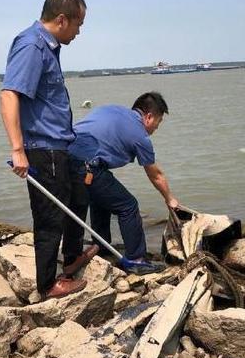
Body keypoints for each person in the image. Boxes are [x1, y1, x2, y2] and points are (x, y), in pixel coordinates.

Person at [0, 0, 94, 300]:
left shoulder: (48, 47)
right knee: (49, 218)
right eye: (79, 24)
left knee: (72, 201)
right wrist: (18, 150)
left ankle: (70, 260)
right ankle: (47, 285)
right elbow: (9, 94)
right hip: (43, 149)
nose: (79, 32)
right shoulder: (31, 45)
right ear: (62, 19)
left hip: (58, 147)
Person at [68, 92, 178, 274]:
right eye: (158, 122)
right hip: (86, 166)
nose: (156, 128)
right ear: (149, 116)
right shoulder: (140, 135)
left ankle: (101, 247)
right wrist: (170, 199)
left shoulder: (112, 109)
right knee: (128, 206)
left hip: (65, 157)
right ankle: (136, 260)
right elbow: (156, 175)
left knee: (101, 199)